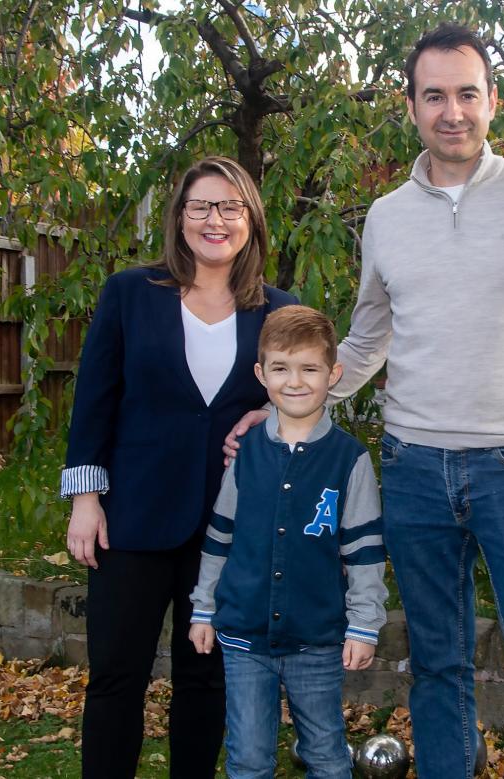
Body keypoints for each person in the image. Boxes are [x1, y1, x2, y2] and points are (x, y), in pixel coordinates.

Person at [229, 23, 504, 779]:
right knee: (437, 667)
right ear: (411, 106)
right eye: (434, 96)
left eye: (466, 94)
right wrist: (289, 405)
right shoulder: (387, 216)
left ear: (493, 102)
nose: (451, 111)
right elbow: (365, 340)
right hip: (415, 470)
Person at [60, 155, 297, 778]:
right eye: (200, 207)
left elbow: (303, 406)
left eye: (229, 207)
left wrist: (267, 424)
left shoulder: (278, 310)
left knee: (205, 680)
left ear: (250, 219)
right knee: (116, 677)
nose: (214, 220)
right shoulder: (130, 294)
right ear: (180, 217)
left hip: (230, 530)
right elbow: (94, 401)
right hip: (131, 521)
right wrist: (86, 499)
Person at [189, 305, 387, 779]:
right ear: (261, 374)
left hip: (316, 639)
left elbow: (363, 552)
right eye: (280, 368)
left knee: (325, 753)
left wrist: (364, 624)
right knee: (248, 758)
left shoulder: (349, 460)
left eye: (309, 369)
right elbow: (221, 536)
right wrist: (203, 609)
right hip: (243, 638)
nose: (294, 382)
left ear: (333, 374)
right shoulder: (245, 451)